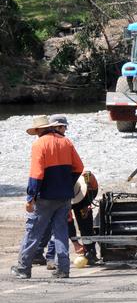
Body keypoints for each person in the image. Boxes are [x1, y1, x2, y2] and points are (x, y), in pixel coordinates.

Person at [11, 115, 84, 279]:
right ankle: (63, 269)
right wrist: (66, 184)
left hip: (45, 197)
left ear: (38, 130)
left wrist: (30, 197)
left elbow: (36, 174)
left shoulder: (39, 144)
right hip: (64, 197)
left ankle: (23, 268)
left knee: (33, 231)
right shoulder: (66, 142)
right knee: (60, 232)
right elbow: (79, 167)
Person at [34, 115, 100, 269]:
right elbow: (78, 166)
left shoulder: (87, 189)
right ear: (56, 127)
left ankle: (90, 252)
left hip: (65, 191)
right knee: (59, 225)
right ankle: (48, 256)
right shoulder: (64, 143)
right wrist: (76, 243)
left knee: (85, 224)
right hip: (63, 191)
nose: (65, 130)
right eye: (63, 127)